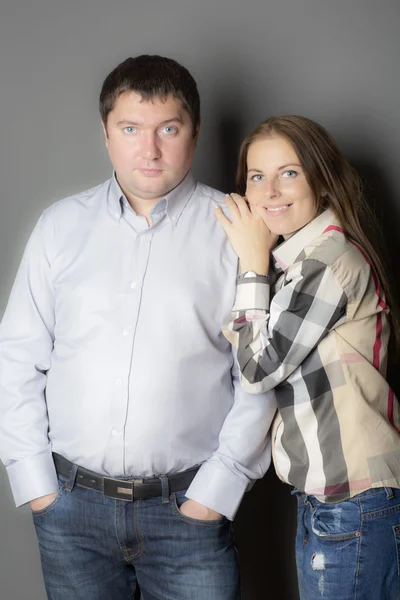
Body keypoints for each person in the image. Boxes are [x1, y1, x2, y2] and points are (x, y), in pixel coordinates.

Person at [0, 55, 277, 600]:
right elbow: (17, 356)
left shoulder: (241, 229)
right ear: (106, 134)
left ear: (193, 134)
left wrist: (214, 495)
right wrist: (37, 487)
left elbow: (263, 371)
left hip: (189, 512)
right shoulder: (60, 227)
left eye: (167, 129)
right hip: (71, 512)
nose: (148, 150)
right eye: (131, 129)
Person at [216, 115, 400, 600]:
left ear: (321, 178)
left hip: (353, 498)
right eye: (257, 176)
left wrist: (253, 267)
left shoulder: (328, 260)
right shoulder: (302, 261)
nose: (270, 191)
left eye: (289, 172)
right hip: (331, 497)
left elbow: (258, 370)